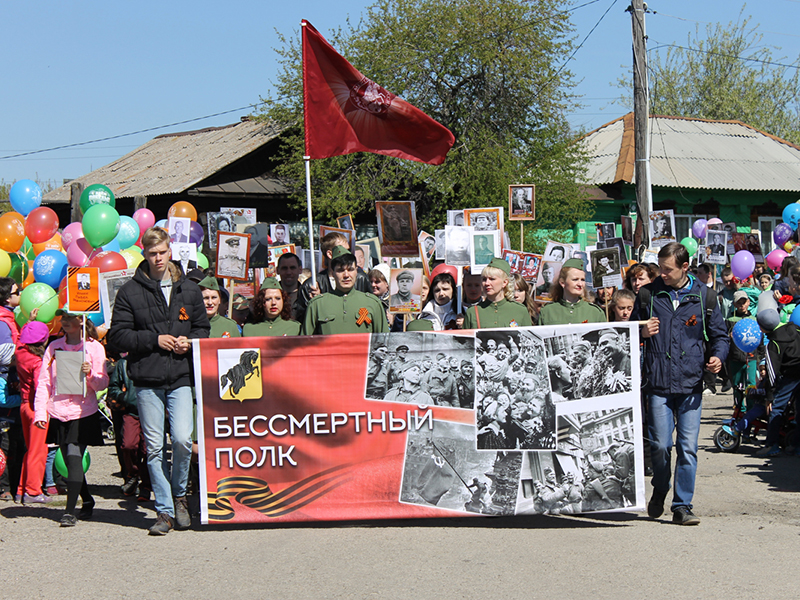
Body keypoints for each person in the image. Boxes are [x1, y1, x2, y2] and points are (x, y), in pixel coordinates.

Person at [107, 226, 210, 535]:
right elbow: (117, 335)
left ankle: (180, 494)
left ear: (170, 250)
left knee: (180, 440)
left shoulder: (188, 290)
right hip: (147, 379)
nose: (158, 258)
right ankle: (164, 510)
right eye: (152, 254)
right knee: (153, 447)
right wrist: (155, 339)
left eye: (162, 252)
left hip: (180, 376)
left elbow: (203, 328)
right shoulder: (130, 291)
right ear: (145, 253)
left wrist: (189, 342)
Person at [635, 242, 728, 525]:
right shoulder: (648, 294)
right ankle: (661, 487)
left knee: (688, 447)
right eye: (660, 268)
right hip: (658, 383)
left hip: (690, 384)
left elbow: (720, 336)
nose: (661, 274)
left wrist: (717, 358)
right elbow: (625, 332)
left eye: (667, 270)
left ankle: (682, 505)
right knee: (662, 446)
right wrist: (641, 329)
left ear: (685, 268)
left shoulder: (706, 297)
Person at [34, 312, 108, 526]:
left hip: (82, 412)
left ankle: (69, 512)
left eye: (71, 317)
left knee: (74, 454)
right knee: (68, 460)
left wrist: (90, 375)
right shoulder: (54, 347)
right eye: (62, 317)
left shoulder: (94, 347)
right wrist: (41, 413)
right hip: (58, 411)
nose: (65, 321)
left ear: (82, 320)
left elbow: (103, 383)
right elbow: (44, 381)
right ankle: (87, 500)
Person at [302, 246, 389, 335]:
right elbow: (304, 344)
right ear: (333, 273)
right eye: (340, 270)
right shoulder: (317, 305)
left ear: (356, 271)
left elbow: (384, 341)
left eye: (350, 270)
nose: (346, 275)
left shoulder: (373, 303)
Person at [295, 232, 371, 323]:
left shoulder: (361, 279)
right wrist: (316, 303)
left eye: (348, 250)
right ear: (330, 254)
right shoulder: (311, 285)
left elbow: (372, 309)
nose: (348, 254)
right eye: (343, 250)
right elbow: (303, 321)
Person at [754, 308, 800, 457]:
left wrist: (770, 397)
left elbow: (772, 374)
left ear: (762, 328)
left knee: (776, 409)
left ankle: (771, 445)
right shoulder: (796, 329)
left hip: (790, 378)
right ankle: (797, 446)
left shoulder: (773, 344)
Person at [15, 321, 51, 503]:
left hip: (24, 405)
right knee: (39, 451)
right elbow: (41, 388)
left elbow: (21, 339)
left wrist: (29, 321)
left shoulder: (20, 353)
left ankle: (22, 489)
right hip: (37, 407)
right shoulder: (37, 362)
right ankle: (33, 491)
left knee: (30, 450)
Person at [107, 352, 151, 501]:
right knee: (128, 445)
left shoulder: (154, 360)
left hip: (151, 412)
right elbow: (113, 386)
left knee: (147, 450)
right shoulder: (123, 363)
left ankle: (145, 486)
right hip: (131, 411)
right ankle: (132, 475)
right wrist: (124, 397)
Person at [463, 258, 532, 329]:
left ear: (504, 282)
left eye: (492, 279)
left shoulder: (520, 310)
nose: (487, 283)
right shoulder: (473, 312)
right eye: (484, 279)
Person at [0, 277, 22, 501]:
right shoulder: (2, 321)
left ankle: (13, 486)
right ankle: (5, 487)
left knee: (14, 440)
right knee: (6, 442)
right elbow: (4, 355)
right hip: (5, 386)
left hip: (11, 384)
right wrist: (25, 354)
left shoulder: (10, 318)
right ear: (7, 297)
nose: (21, 293)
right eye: (18, 291)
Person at [539, 258, 606, 325]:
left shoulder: (595, 312)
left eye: (582, 280)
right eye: (575, 280)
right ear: (562, 282)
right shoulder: (547, 311)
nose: (580, 284)